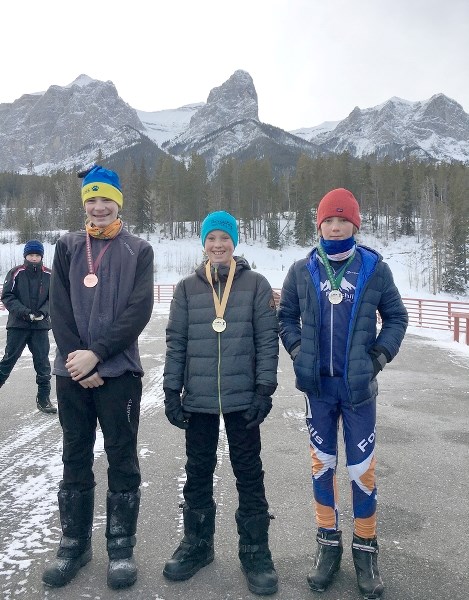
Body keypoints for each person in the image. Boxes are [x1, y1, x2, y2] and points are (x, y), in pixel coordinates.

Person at [278, 188, 408, 599]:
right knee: (322, 466)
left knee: (360, 470)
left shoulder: (373, 267)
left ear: (356, 223)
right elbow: (285, 317)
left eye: (343, 220)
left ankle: (366, 549)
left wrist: (378, 357)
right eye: (328, 220)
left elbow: (396, 318)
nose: (336, 226)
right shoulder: (303, 270)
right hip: (318, 390)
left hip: (357, 392)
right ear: (319, 225)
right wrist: (298, 352)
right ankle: (327, 545)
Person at [41, 165, 154, 590]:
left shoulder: (138, 250)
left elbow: (138, 311)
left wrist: (98, 356)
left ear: (118, 202)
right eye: (91, 199)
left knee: (122, 457)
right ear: (84, 203)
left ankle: (121, 548)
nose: (99, 206)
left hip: (119, 371)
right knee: (75, 454)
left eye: (106, 199)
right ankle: (74, 543)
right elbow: (60, 308)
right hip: (71, 372)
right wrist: (76, 360)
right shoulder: (68, 246)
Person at [163, 210, 279, 596]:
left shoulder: (257, 285)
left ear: (235, 243)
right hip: (197, 400)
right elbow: (176, 342)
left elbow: (267, 342)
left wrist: (265, 390)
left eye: (224, 239)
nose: (218, 245)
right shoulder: (185, 288)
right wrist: (170, 390)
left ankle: (255, 551)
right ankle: (197, 545)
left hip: (242, 397)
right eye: (211, 239)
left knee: (249, 473)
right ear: (203, 243)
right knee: (197, 472)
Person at [0, 239, 55, 413]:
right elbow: (7, 296)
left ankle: (44, 398)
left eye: (37, 255)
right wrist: (24, 312)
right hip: (18, 325)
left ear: (41, 256)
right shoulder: (16, 273)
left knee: (43, 362)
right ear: (25, 255)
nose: (33, 258)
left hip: (40, 327)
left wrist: (42, 313)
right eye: (31, 255)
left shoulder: (49, 274)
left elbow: (53, 298)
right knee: (9, 360)